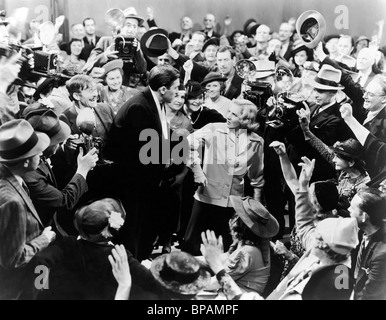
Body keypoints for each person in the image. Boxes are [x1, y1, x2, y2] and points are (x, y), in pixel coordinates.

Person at [106, 65, 180, 261]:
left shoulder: (155, 101)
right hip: (133, 181)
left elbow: (162, 135)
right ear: (163, 89)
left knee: (145, 226)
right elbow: (140, 152)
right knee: (133, 228)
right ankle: (132, 265)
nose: (178, 92)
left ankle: (139, 260)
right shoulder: (140, 106)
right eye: (176, 87)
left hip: (144, 179)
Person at [30, 197, 167, 300]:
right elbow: (152, 282)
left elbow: (41, 260)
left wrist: (42, 289)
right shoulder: (118, 255)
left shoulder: (66, 243)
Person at [267, 156, 359, 300]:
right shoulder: (336, 226)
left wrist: (289, 256)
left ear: (316, 204)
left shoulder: (328, 236)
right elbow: (303, 222)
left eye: (309, 194)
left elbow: (341, 287)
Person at [183, 99, 264, 255]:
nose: (228, 116)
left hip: (233, 204)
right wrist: (197, 169)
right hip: (207, 199)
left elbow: (257, 178)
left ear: (245, 119)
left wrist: (257, 205)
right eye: (229, 111)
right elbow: (187, 144)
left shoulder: (256, 142)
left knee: (225, 249)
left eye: (233, 114)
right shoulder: (214, 129)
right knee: (194, 248)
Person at [0, 120, 55, 299]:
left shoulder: (10, 178)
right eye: (39, 153)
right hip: (15, 286)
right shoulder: (12, 201)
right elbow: (13, 259)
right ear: (25, 162)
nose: (42, 157)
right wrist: (44, 239)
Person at [23, 108, 98, 229]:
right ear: (44, 144)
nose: (59, 144)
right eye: (58, 141)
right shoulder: (30, 174)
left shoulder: (34, 154)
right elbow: (64, 202)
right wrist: (83, 170)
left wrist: (64, 148)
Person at [298, 103, 370, 214]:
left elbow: (359, 214)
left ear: (351, 162)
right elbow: (322, 148)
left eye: (338, 157)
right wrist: (306, 130)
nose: (334, 159)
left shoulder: (363, 186)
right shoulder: (344, 170)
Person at [201, 196, 279, 296]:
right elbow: (223, 258)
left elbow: (217, 282)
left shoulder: (247, 252)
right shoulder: (255, 245)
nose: (231, 220)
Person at [349, 188, 386, 300]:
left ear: (364, 217)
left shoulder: (382, 255)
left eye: (352, 208)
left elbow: (370, 296)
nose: (348, 209)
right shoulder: (358, 231)